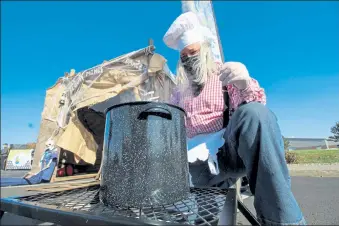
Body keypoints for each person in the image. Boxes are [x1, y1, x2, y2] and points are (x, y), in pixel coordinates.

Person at [163, 12, 306, 225]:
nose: (188, 60)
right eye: (183, 56)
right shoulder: (178, 92)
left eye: (192, 53)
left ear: (204, 51)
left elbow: (256, 107)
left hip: (226, 153)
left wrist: (244, 83)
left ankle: (282, 220)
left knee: (255, 113)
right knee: (188, 211)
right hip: (192, 162)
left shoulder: (225, 75)